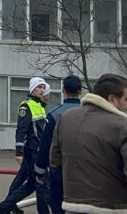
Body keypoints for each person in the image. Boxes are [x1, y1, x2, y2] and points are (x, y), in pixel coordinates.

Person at [50, 73, 127, 214]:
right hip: (111, 206)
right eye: (126, 99)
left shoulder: (66, 119)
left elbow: (55, 162)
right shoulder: (123, 127)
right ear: (111, 99)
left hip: (73, 204)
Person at [0, 77, 50, 214]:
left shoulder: (39, 105)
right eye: (39, 87)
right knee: (39, 183)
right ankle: (5, 207)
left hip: (36, 150)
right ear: (32, 89)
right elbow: (21, 130)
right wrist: (19, 152)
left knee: (27, 181)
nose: (42, 90)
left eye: (43, 87)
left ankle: (6, 206)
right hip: (32, 151)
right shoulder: (26, 106)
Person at [34, 75, 82, 214]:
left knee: (59, 207)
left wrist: (40, 171)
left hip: (60, 171)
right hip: (85, 172)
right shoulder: (89, 114)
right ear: (80, 91)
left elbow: (45, 145)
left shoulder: (54, 115)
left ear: (62, 90)